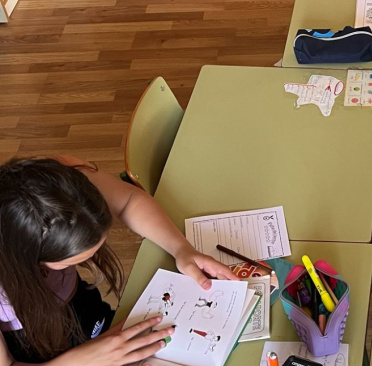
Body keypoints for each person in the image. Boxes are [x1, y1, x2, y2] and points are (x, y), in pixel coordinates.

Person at [0, 156, 239, 365]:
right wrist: (85, 360)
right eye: (67, 263)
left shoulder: (59, 184)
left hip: (83, 312)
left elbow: (128, 201)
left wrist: (181, 249)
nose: (91, 259)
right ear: (26, 255)